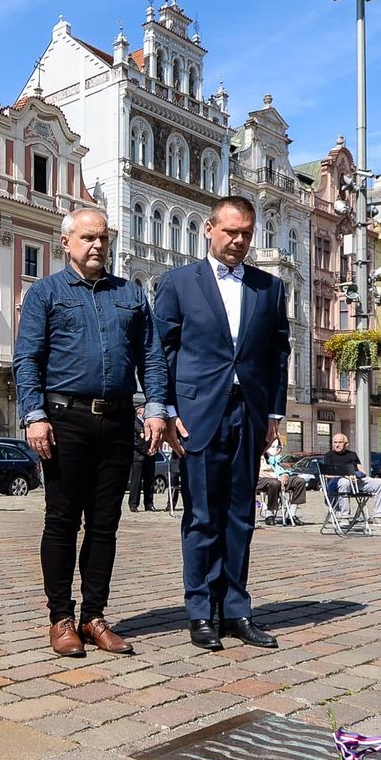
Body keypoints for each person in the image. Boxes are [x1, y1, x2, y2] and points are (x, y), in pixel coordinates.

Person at [16, 207, 168, 657]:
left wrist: (155, 409)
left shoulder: (132, 295)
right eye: (87, 238)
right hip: (65, 420)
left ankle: (94, 616)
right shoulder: (45, 293)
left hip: (119, 420)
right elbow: (27, 360)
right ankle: (60, 618)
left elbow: (152, 357)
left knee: (105, 525)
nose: (97, 245)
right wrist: (33, 415)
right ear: (66, 243)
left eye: (103, 238)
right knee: (62, 522)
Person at [153, 195, 290, 652]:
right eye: (230, 231)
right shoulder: (177, 283)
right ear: (209, 229)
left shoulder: (268, 288)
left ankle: (236, 610)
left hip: (248, 414)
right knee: (201, 517)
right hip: (196, 415)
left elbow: (277, 354)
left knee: (240, 516)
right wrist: (167, 410)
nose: (238, 241)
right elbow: (162, 351)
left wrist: (273, 413)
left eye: (246, 233)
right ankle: (200, 612)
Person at [321, 432, 381, 523]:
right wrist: (345, 476)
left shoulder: (352, 454)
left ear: (346, 444)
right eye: (335, 442)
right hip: (338, 482)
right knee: (344, 482)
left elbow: (362, 471)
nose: (337, 445)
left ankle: (378, 516)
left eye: (340, 442)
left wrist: (357, 475)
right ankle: (345, 517)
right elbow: (326, 474)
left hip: (356, 480)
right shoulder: (329, 455)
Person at [128, 405, 159, 512]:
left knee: (149, 481)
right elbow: (134, 441)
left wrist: (154, 448)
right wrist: (145, 450)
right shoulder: (134, 422)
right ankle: (133, 504)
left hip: (151, 456)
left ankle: (149, 503)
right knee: (136, 481)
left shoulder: (150, 422)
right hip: (139, 456)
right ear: (140, 411)